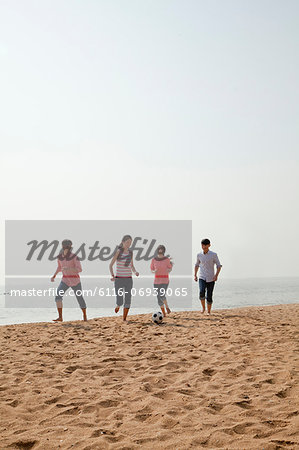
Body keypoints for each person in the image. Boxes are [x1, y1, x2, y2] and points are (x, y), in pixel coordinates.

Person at [51, 239, 87, 322]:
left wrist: (69, 268)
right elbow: (59, 267)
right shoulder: (60, 257)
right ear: (62, 246)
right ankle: (60, 317)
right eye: (65, 246)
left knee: (79, 298)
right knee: (58, 296)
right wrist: (54, 276)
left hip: (75, 281)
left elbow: (79, 269)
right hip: (65, 280)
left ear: (70, 247)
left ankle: (84, 315)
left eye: (68, 246)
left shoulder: (74, 257)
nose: (66, 247)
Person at [109, 235, 139, 322]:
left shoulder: (130, 252)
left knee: (128, 298)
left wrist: (135, 272)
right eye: (127, 242)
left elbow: (132, 266)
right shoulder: (118, 252)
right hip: (119, 279)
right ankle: (118, 305)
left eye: (130, 243)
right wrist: (112, 276)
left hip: (128, 279)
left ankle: (124, 318)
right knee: (120, 299)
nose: (129, 244)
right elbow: (111, 265)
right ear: (123, 242)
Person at [194, 238, 222, 315]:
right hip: (202, 277)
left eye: (206, 245)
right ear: (201, 245)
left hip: (211, 278)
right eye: (203, 245)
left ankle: (209, 311)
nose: (204, 246)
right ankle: (203, 308)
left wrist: (216, 275)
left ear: (209, 245)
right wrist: (195, 275)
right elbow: (196, 265)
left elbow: (219, 265)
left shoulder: (213, 255)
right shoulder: (199, 255)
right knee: (201, 292)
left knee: (209, 295)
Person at [150, 244, 173, 317]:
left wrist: (168, 270)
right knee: (158, 298)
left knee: (162, 295)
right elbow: (151, 269)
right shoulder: (154, 260)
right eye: (159, 249)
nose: (160, 250)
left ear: (163, 251)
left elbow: (170, 268)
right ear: (157, 250)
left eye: (162, 249)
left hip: (165, 280)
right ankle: (164, 313)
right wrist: (154, 271)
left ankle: (167, 307)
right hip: (156, 281)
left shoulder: (166, 259)